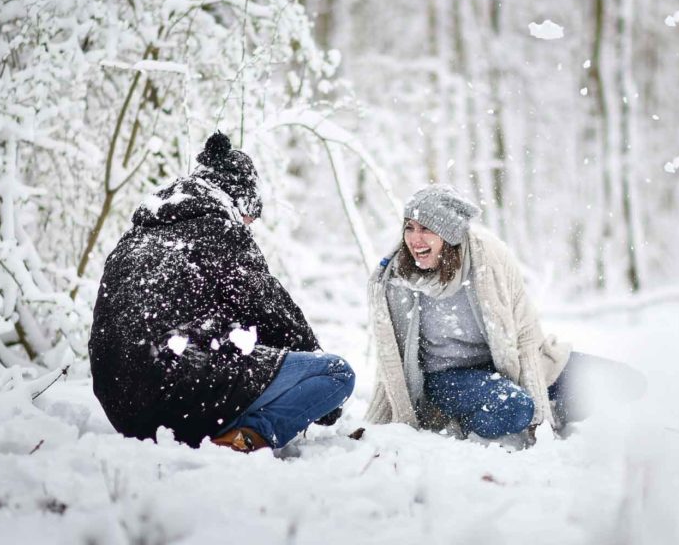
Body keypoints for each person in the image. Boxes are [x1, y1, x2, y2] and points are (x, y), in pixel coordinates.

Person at [89, 132, 355, 452]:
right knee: (338, 373)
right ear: (240, 202)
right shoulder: (219, 229)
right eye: (250, 219)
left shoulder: (137, 237)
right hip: (175, 396)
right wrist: (322, 397)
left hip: (123, 410)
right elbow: (274, 313)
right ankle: (248, 436)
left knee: (229, 348)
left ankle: (224, 427)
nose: (248, 226)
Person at [365, 184, 644, 444]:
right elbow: (391, 356)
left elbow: (525, 335)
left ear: (449, 234)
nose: (415, 239)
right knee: (515, 408)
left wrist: (541, 412)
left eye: (426, 229)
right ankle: (455, 419)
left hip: (508, 364)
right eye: (409, 228)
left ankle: (554, 409)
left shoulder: (489, 258)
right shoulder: (397, 278)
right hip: (447, 378)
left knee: (624, 381)